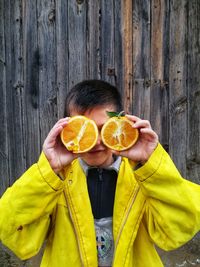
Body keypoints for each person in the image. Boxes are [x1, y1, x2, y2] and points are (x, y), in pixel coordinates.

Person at [0, 80, 200, 267]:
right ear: (66, 129)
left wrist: (151, 164)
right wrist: (48, 171)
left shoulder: (143, 178)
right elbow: (14, 231)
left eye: (104, 129)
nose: (96, 141)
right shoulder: (54, 181)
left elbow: (180, 228)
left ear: (120, 123)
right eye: (86, 131)